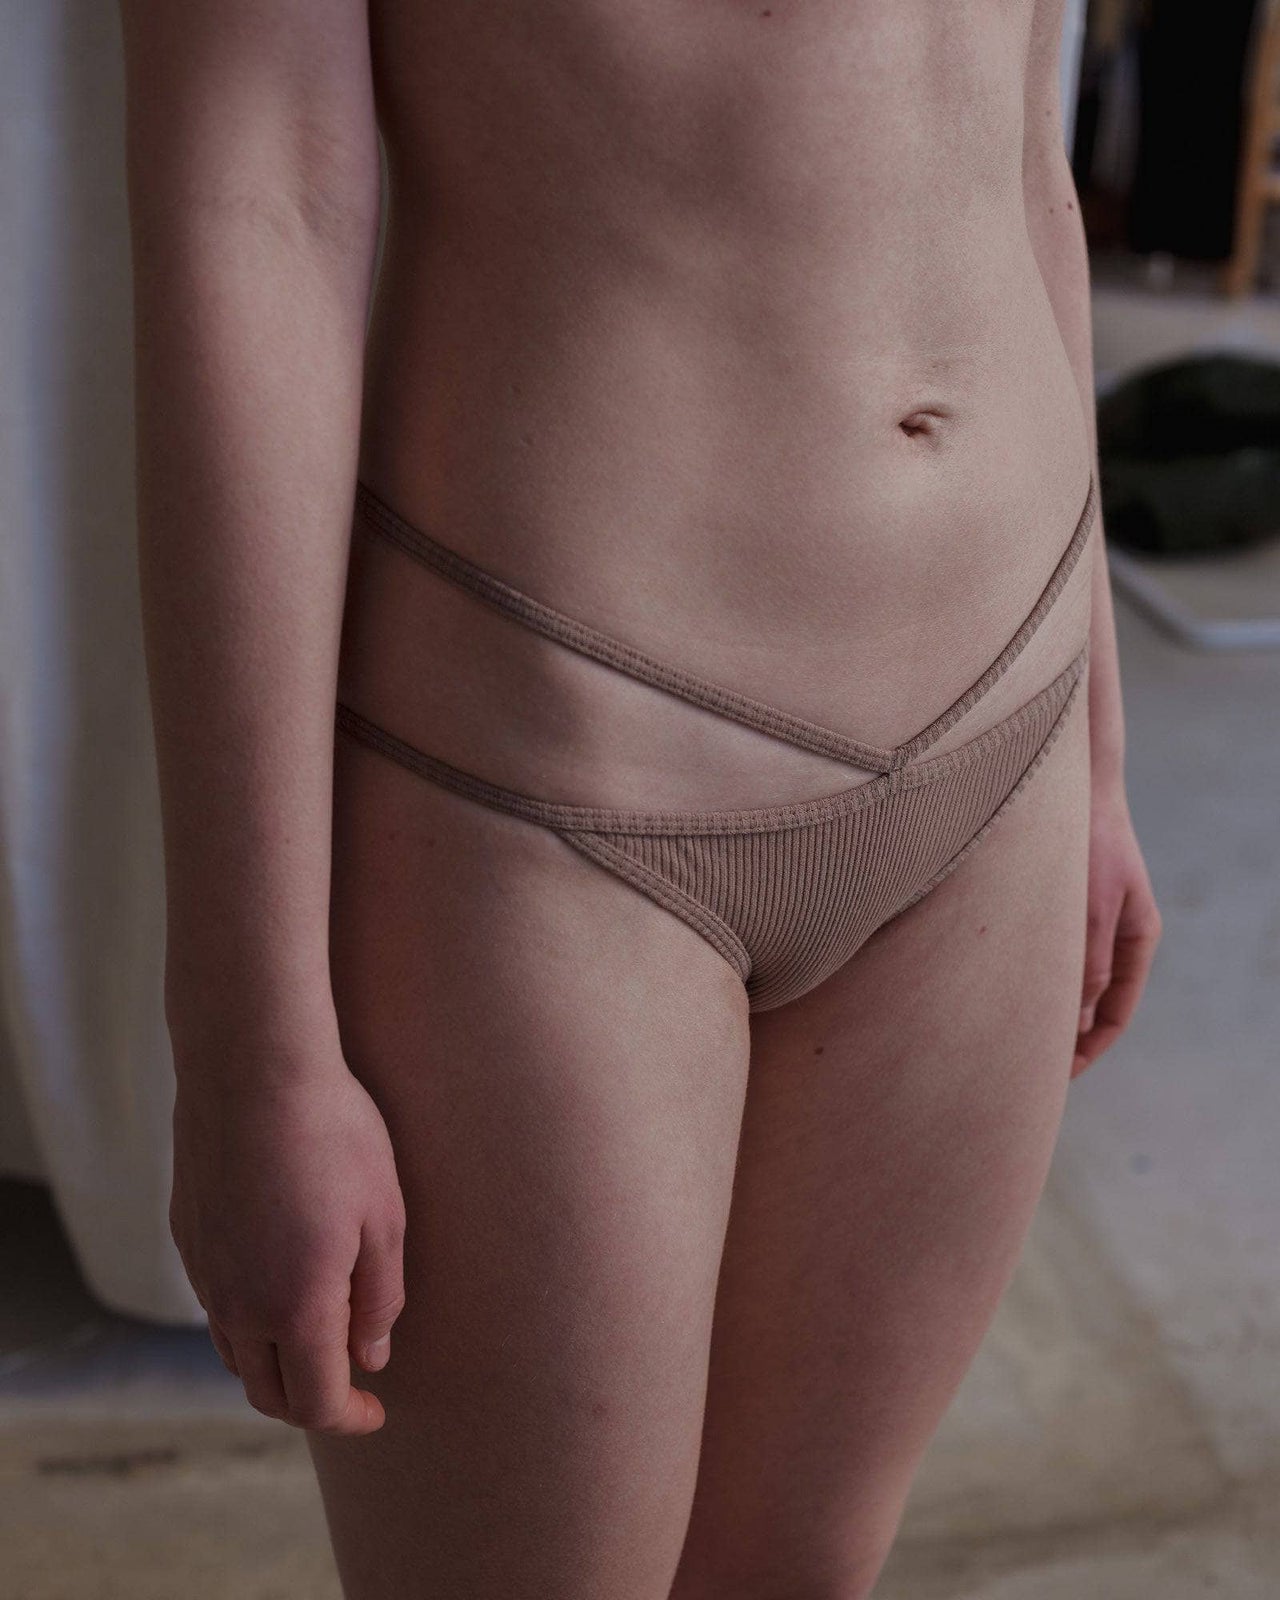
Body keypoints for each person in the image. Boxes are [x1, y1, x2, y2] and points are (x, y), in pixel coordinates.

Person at [119, 0, 1162, 1595]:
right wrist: (250, 1042)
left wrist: (1095, 754)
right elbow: (259, 200)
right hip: (549, 771)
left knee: (798, 1570)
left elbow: (1024, 145)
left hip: (1005, 718)